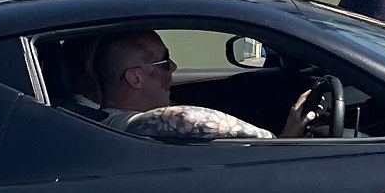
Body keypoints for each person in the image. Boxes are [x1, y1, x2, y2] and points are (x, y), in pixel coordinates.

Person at [83, 30, 317, 142]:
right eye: (164, 61)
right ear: (136, 78)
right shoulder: (122, 124)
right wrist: (280, 141)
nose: (174, 67)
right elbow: (185, 118)